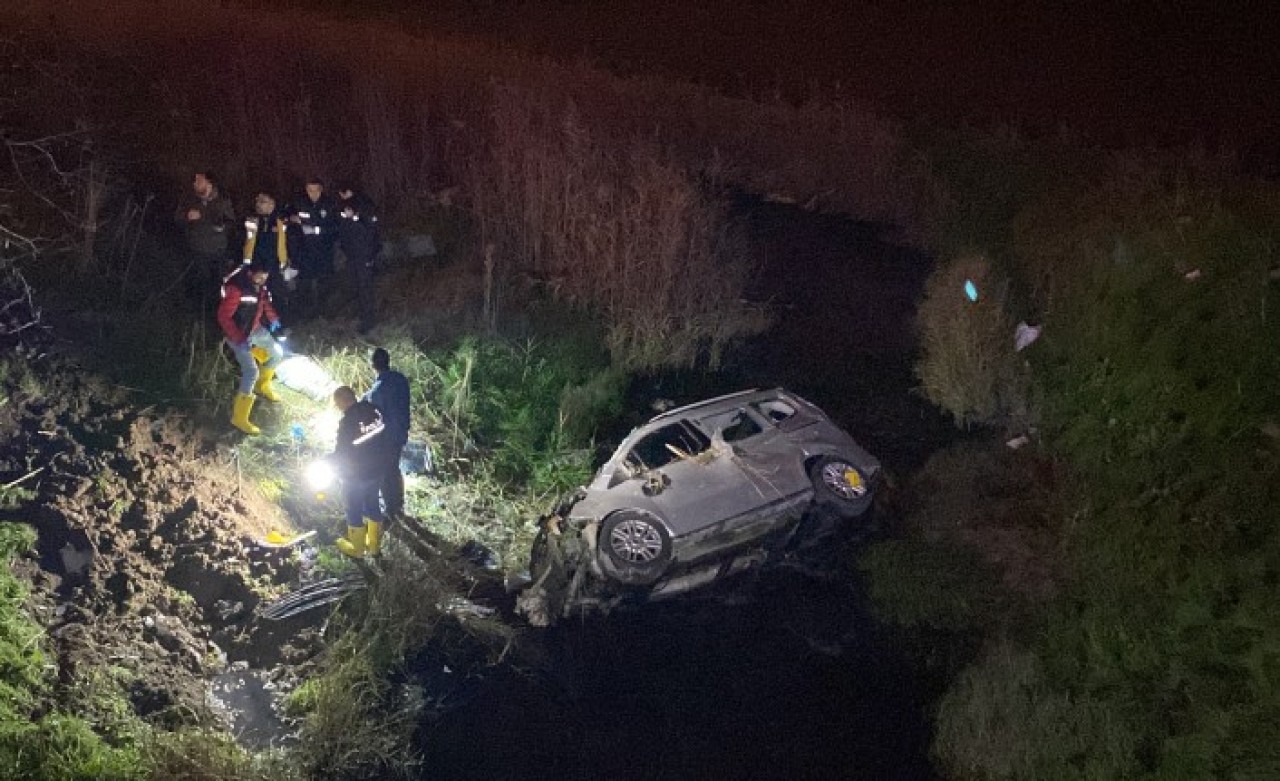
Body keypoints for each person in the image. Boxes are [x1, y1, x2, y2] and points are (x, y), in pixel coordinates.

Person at [217, 260, 286, 435]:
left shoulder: (260, 288)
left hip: (255, 330)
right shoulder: (236, 289)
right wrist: (239, 338)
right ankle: (239, 418)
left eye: (265, 277)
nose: (263, 280)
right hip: (238, 335)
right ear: (250, 274)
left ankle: (262, 386)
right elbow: (224, 317)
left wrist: (274, 319)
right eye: (260, 276)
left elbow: (264, 305)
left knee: (277, 353)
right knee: (251, 371)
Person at [331, 385, 387, 557]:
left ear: (343, 400)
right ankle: (375, 547)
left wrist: (327, 461)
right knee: (373, 504)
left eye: (337, 403)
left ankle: (358, 550)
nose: (337, 407)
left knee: (353, 509)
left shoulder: (347, 422)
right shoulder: (374, 410)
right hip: (377, 470)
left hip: (356, 475)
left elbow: (341, 452)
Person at [362, 347, 410, 519]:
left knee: (384, 471)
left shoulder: (378, 390)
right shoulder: (401, 379)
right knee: (394, 469)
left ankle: (392, 509)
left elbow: (374, 412)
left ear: (372, 365)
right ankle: (399, 504)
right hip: (401, 433)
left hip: (386, 438)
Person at [175, 171, 235, 308]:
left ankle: (214, 317)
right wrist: (187, 216)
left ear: (209, 183)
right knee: (198, 286)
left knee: (216, 287)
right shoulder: (189, 199)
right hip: (197, 251)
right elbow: (177, 218)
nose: (195, 183)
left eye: (199, 180)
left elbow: (232, 222)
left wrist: (223, 227)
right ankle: (195, 315)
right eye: (195, 180)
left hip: (218, 252)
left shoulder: (222, 201)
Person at [287, 177, 339, 316]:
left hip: (324, 249)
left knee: (325, 281)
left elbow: (335, 227)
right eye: (310, 190)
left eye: (316, 190)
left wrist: (317, 230)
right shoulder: (299, 202)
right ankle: (306, 314)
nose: (313, 193)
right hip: (305, 250)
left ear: (321, 190)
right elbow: (289, 218)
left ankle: (325, 312)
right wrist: (292, 219)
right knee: (304, 282)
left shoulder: (329, 204)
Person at [242, 191, 298, 317]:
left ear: (272, 204)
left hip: (275, 267)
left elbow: (289, 242)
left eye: (263, 201)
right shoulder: (251, 220)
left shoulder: (281, 221)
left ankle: (282, 327)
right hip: (255, 267)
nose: (258, 204)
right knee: (254, 301)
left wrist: (289, 262)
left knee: (279, 299)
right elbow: (245, 242)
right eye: (257, 201)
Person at [335, 184, 380, 333]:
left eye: (344, 193)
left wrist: (354, 219)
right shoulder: (344, 206)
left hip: (364, 254)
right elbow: (343, 229)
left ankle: (368, 322)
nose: (343, 197)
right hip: (352, 255)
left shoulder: (364, 205)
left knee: (365, 288)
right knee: (356, 287)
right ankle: (360, 317)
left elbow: (370, 232)